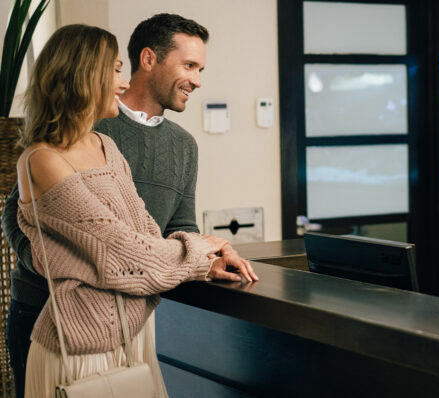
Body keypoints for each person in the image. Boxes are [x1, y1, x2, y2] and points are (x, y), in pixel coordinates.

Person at [1, 15, 257, 398]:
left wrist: (207, 263)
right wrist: (56, 264)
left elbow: (166, 231)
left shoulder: (175, 146)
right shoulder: (80, 131)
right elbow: (16, 213)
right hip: (48, 309)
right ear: (150, 59)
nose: (198, 81)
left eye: (200, 69)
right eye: (189, 66)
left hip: (126, 317)